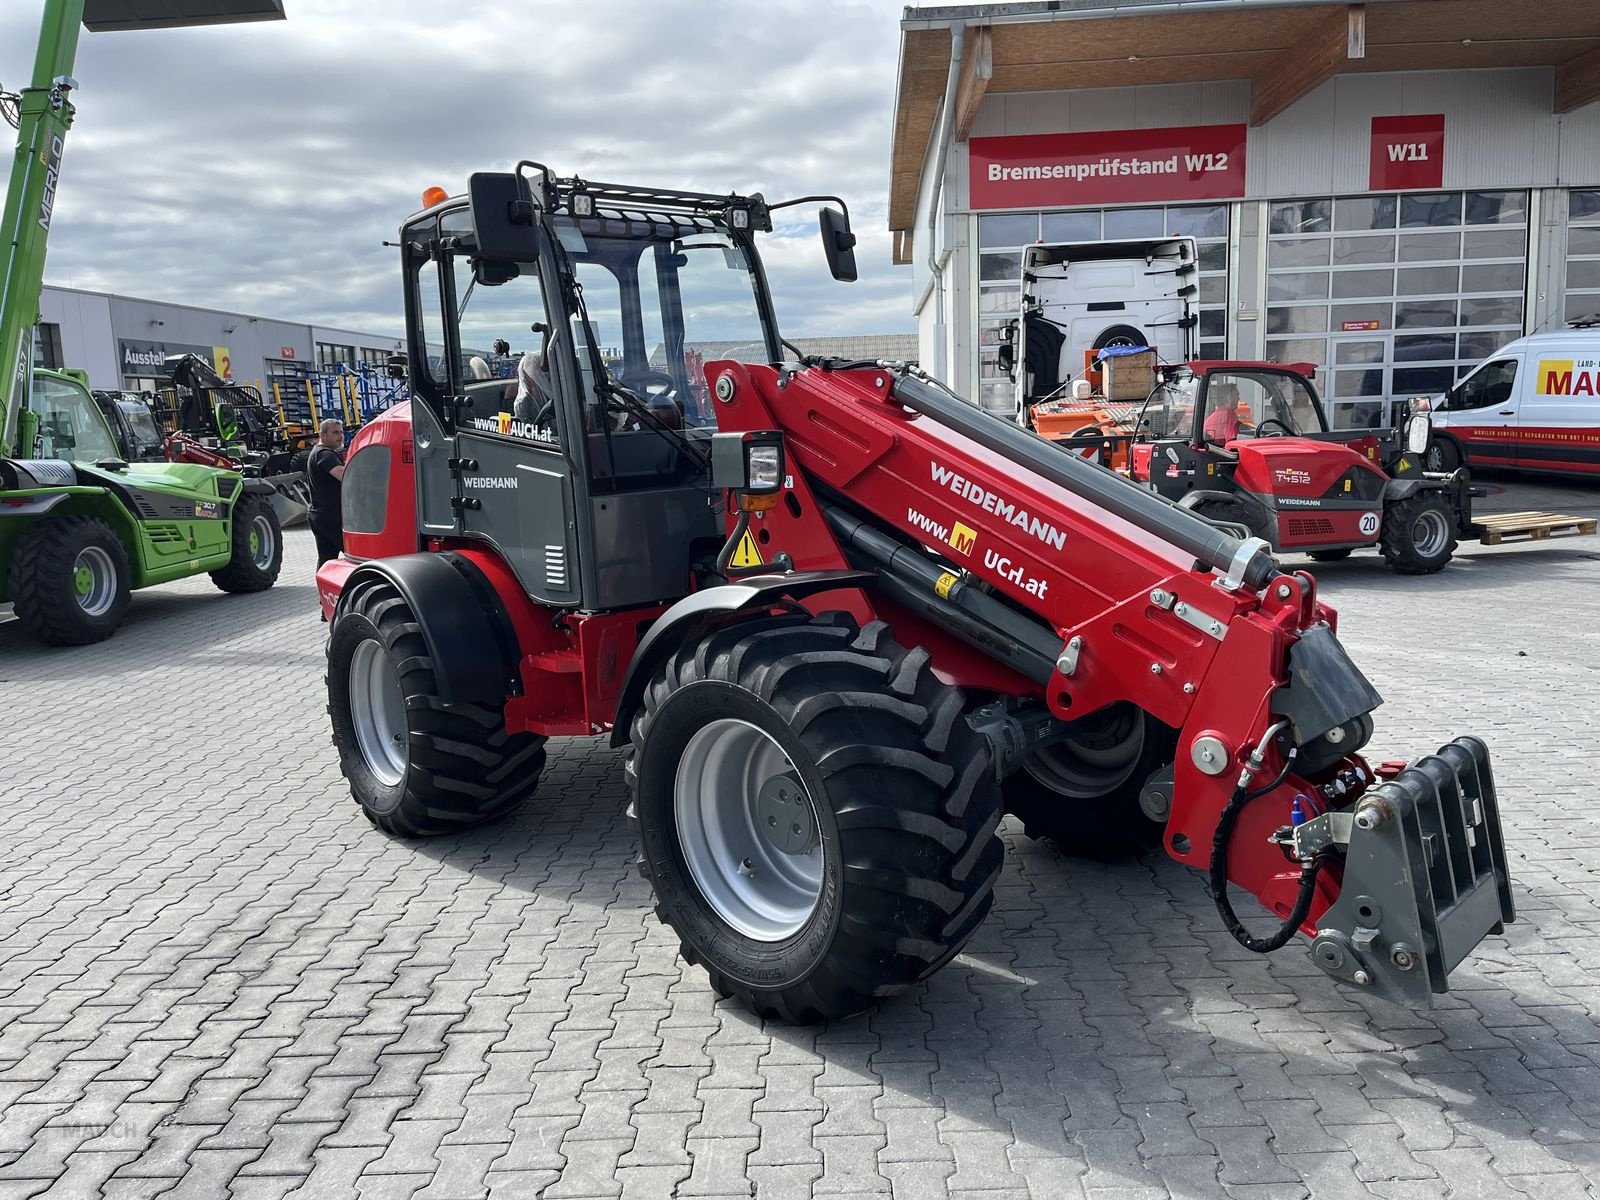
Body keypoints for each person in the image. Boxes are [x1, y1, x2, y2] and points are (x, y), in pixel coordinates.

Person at [306, 418, 346, 569]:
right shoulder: (325, 454)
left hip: (319, 514)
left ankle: (323, 590)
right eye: (335, 432)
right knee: (355, 553)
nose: (340, 436)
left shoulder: (316, 452)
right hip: (330, 516)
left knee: (326, 558)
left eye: (341, 432)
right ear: (322, 435)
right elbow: (344, 476)